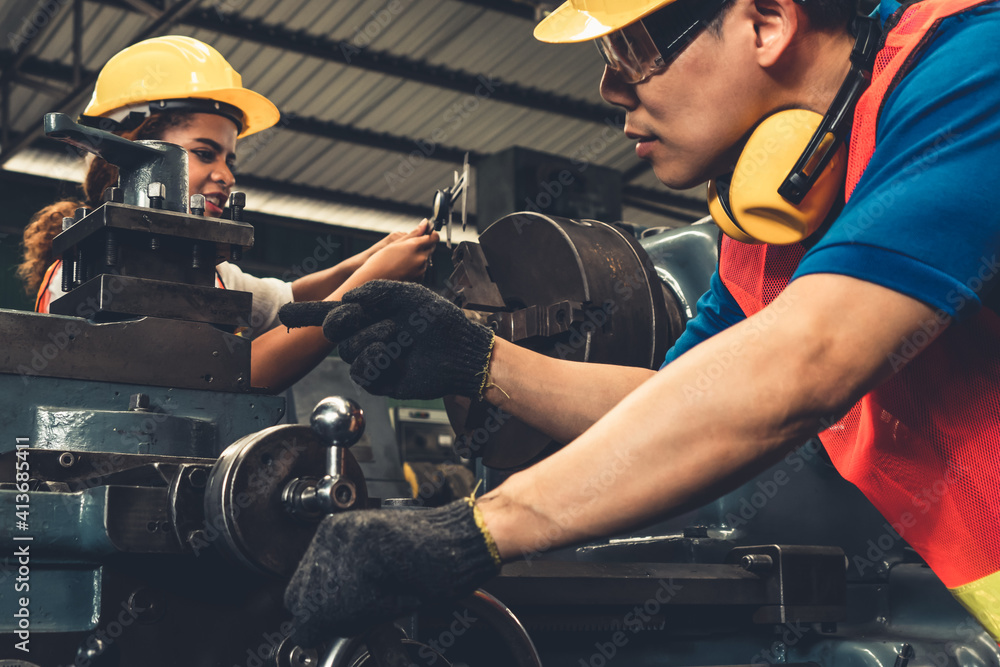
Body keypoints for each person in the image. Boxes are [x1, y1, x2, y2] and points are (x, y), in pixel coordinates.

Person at [278, 0, 1000, 644]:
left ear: (768, 22)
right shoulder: (768, 222)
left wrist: (475, 529)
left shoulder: (975, 71)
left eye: (636, 47)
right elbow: (680, 399)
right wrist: (481, 359)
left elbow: (804, 362)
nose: (610, 86)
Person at [17, 36, 439, 393]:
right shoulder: (90, 275)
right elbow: (240, 375)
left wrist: (370, 260)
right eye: (204, 153)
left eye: (230, 160)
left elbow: (290, 300)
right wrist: (370, 282)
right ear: (129, 152)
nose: (226, 175)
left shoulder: (204, 273)